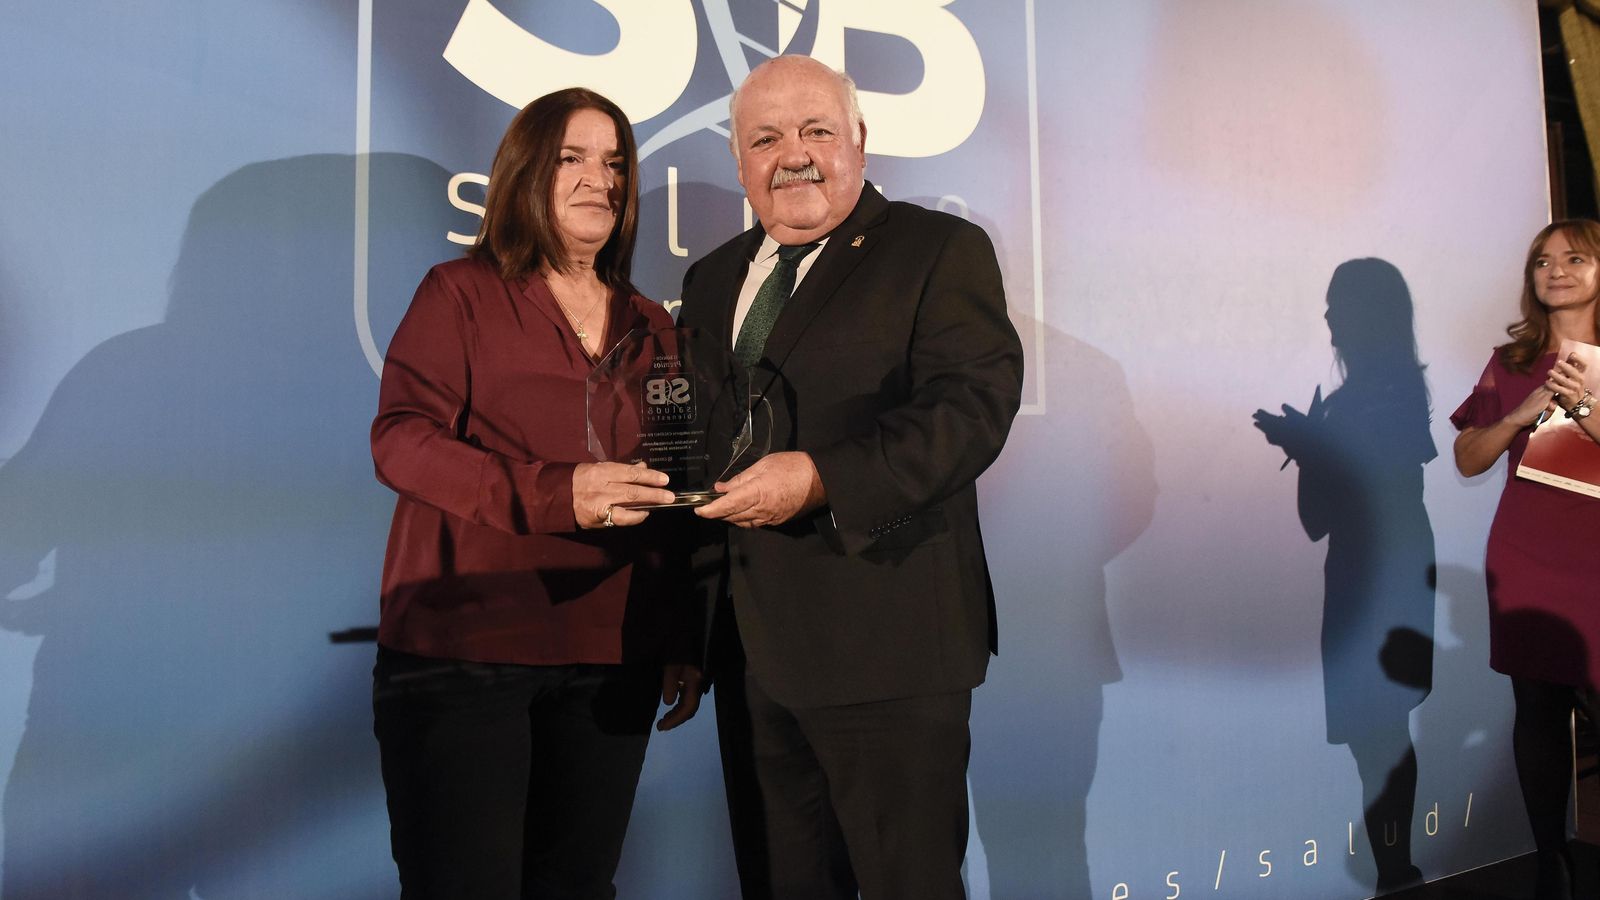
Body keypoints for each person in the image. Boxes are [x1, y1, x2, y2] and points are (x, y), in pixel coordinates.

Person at [678, 55, 1024, 899]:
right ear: (738, 162)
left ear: (859, 144)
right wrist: (683, 631)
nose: (792, 154)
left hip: (891, 648)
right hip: (753, 655)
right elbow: (696, 456)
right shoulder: (711, 278)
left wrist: (825, 478)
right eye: (766, 138)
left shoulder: (937, 249)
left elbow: (971, 410)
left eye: (815, 131)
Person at [369, 87, 701, 900]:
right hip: (464, 654)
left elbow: (676, 492)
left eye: (616, 162)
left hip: (611, 657)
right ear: (524, 174)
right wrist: (561, 494)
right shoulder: (459, 293)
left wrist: (686, 630)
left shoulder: (655, 323)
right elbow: (401, 440)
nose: (602, 180)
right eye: (573, 158)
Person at [1253, 259, 1434, 892]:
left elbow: (1375, 487)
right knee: (1374, 734)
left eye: (1338, 303)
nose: (1328, 315)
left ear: (1368, 311)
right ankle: (1396, 870)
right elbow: (1318, 519)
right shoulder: (1352, 399)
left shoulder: (1394, 393)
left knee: (1380, 731)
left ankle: (1397, 873)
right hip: (1361, 573)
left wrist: (1308, 445)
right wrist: (1306, 446)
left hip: (1389, 577)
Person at [1453, 219, 1600, 900]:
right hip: (1525, 553)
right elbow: (1467, 456)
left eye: (1575, 257)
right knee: (1536, 705)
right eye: (1543, 261)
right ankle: (1551, 861)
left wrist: (1586, 408)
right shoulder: (1509, 364)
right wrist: (1522, 414)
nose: (1556, 270)